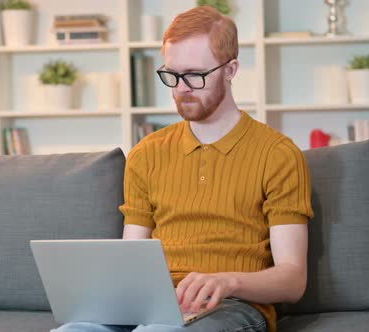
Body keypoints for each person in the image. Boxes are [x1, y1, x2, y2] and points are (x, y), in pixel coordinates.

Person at [52, 5, 314, 332]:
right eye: (172, 75)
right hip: (152, 304)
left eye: (194, 75)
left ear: (231, 69)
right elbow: (130, 258)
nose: (181, 88)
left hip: (232, 307)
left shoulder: (278, 154)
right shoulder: (147, 153)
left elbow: (293, 280)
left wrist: (228, 282)